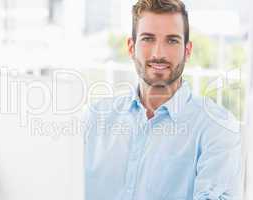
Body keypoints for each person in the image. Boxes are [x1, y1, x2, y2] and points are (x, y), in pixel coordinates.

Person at [83, 0, 243, 199]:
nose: (159, 54)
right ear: (131, 47)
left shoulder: (217, 128)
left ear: (188, 50)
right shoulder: (93, 119)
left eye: (172, 40)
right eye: (148, 39)